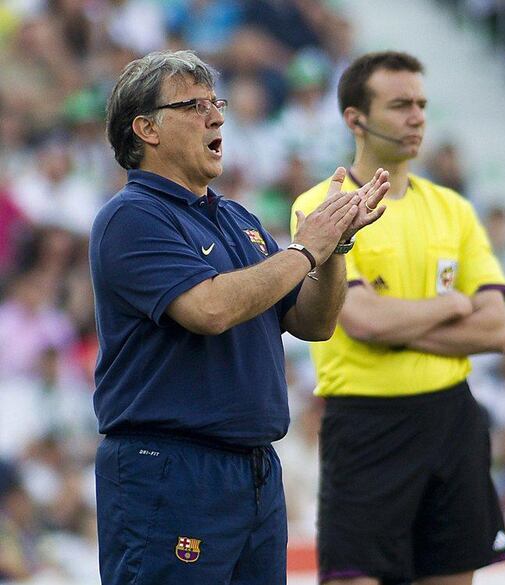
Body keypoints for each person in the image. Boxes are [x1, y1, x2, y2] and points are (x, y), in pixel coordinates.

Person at [89, 50, 389, 585]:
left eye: (216, 103)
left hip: (252, 469)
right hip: (171, 468)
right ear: (146, 129)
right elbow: (210, 308)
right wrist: (304, 252)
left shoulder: (236, 218)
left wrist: (336, 246)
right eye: (194, 105)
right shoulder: (131, 217)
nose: (217, 117)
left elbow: (313, 322)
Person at [292, 51, 505, 585]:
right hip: (367, 425)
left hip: (451, 420)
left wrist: (399, 329)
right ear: (355, 119)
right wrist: (450, 305)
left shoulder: (454, 208)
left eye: (421, 104)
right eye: (400, 105)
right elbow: (363, 321)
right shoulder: (324, 204)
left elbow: (496, 330)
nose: (417, 117)